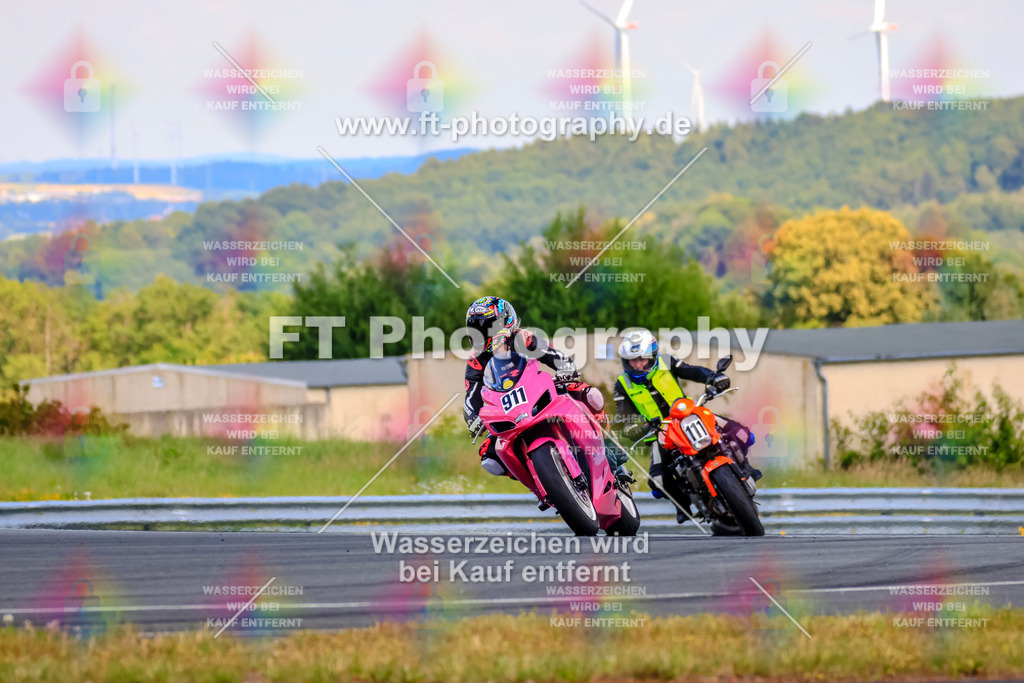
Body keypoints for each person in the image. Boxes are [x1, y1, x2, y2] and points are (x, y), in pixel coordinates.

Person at [611, 328, 760, 524]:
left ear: (652, 356)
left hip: (688, 415)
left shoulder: (667, 362)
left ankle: (745, 470)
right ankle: (683, 505)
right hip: (659, 432)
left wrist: (713, 377)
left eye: (643, 359)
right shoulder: (622, 384)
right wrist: (635, 427)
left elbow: (693, 371)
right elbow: (624, 418)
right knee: (658, 482)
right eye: (633, 361)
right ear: (625, 361)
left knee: (743, 434)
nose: (638, 365)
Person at [462, 296, 606, 476]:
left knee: (587, 393)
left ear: (505, 321)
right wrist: (473, 417)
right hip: (508, 409)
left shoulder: (522, 337)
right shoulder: (476, 360)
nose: (482, 334)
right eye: (476, 329)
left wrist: (565, 368)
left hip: (538, 391)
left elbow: (553, 355)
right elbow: (471, 395)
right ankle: (540, 479)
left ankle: (606, 443)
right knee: (489, 456)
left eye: (488, 327)